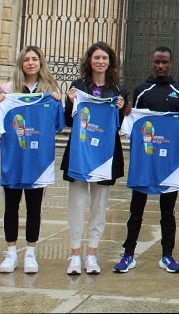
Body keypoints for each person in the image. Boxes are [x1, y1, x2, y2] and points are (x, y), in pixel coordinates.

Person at [113, 47, 179, 274]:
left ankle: (168, 255)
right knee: (136, 209)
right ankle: (128, 254)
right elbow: (130, 123)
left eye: (164, 62)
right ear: (152, 62)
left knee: (168, 211)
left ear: (171, 63)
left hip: (169, 164)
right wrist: (127, 113)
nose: (160, 66)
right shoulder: (140, 90)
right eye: (157, 62)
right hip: (144, 162)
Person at [61, 42, 129, 275]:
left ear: (110, 62)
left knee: (99, 206)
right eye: (97, 57)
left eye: (105, 58)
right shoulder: (77, 86)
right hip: (80, 154)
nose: (101, 62)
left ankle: (92, 254)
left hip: (105, 156)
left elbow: (120, 126)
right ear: (89, 60)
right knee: (76, 206)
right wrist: (70, 103)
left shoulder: (118, 91)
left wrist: (121, 110)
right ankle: (74, 255)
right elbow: (68, 121)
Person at [0, 46, 62, 274]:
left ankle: (31, 253)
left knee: (34, 208)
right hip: (13, 160)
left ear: (40, 62)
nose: (31, 63)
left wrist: (57, 101)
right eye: (26, 59)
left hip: (38, 162)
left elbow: (57, 124)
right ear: (20, 63)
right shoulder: (8, 90)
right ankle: (11, 252)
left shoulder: (50, 91)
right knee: (10, 207)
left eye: (34, 59)